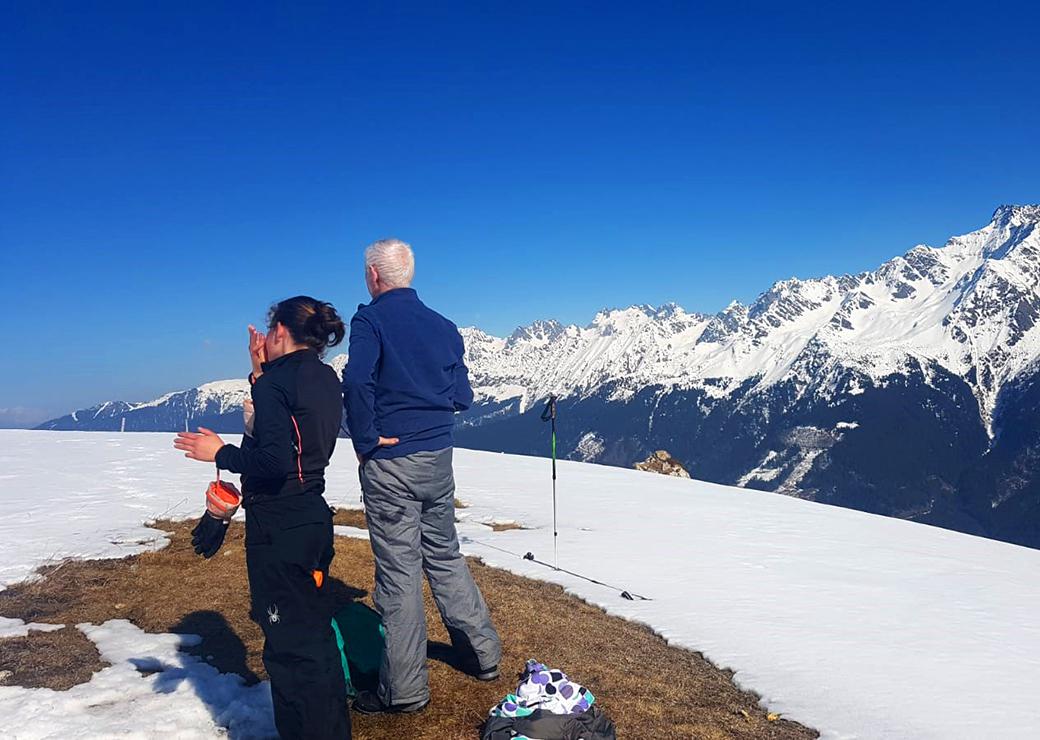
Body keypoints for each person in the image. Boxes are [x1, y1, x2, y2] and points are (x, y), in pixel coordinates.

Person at [174, 296, 350, 740]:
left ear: (279, 333)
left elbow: (272, 459)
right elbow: (293, 438)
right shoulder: (324, 376)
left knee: (290, 651)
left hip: (279, 526)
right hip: (312, 515)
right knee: (312, 639)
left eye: (269, 331)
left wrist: (220, 453)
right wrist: (261, 374)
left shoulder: (275, 385)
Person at [343, 238, 503, 715]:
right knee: (444, 554)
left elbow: (356, 381)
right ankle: (483, 655)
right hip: (439, 456)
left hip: (392, 462)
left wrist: (366, 438)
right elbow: (462, 395)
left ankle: (406, 691)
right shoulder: (444, 326)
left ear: (374, 276)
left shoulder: (369, 320)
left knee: (398, 575)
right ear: (408, 275)